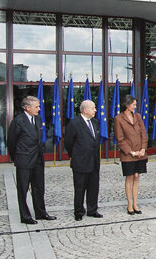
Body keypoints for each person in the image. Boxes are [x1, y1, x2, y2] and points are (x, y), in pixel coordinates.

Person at [7, 95, 56, 225]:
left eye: (39, 106)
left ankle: (41, 212)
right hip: (24, 160)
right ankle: (25, 216)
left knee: (39, 187)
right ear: (27, 107)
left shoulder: (38, 119)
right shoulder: (18, 121)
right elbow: (11, 142)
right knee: (23, 189)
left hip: (38, 160)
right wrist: (16, 158)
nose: (39, 109)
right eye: (36, 107)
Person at [64, 100, 102, 221]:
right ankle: (79, 211)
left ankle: (92, 209)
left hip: (94, 161)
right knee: (80, 188)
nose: (95, 110)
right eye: (93, 108)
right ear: (85, 110)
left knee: (93, 187)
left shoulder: (95, 122)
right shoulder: (74, 123)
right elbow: (68, 143)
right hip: (80, 162)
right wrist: (75, 155)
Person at [114, 95, 148, 215]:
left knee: (137, 177)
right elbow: (120, 139)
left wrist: (143, 148)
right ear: (127, 105)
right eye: (133, 104)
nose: (135, 106)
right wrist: (131, 152)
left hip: (140, 153)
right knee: (129, 177)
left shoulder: (138, 116)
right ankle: (129, 204)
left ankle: (135, 203)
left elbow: (143, 133)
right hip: (128, 154)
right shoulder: (119, 119)